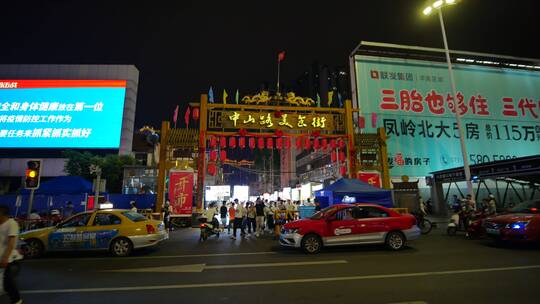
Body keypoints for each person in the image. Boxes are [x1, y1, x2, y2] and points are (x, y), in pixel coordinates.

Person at [0, 205, 23, 304]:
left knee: (7, 282)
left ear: (2, 214)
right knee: (5, 283)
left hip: (11, 260)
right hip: (2, 258)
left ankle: (17, 301)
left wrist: (5, 258)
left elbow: (11, 242)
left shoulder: (11, 223)